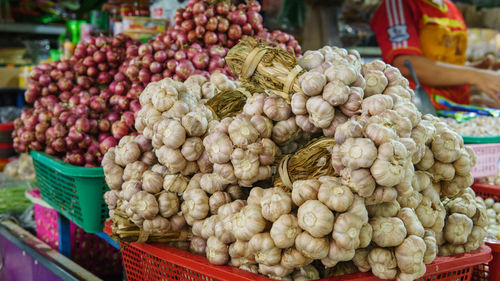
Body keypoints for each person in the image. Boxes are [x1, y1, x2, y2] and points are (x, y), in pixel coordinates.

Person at [370, 0, 500, 109]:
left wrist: (476, 69)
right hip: (420, 112)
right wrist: (475, 75)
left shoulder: (450, 7)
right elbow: (405, 63)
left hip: (457, 110)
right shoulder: (399, 4)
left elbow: (445, 63)